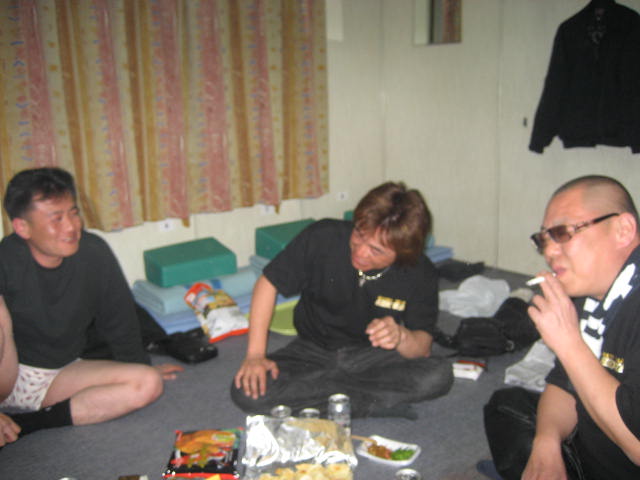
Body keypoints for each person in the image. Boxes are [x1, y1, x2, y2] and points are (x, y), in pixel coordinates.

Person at [231, 181, 453, 419]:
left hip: (373, 355)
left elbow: (422, 347)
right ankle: (372, 403)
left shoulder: (420, 272)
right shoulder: (323, 236)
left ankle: (333, 398)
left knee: (438, 376)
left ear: (402, 252)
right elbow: (268, 283)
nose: (360, 252)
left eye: (376, 250)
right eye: (359, 235)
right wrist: (255, 355)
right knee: (246, 392)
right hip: (311, 350)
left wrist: (400, 336)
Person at [0, 167, 182, 447]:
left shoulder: (93, 251)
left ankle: (25, 425)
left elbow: (119, 319)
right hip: (10, 377)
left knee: (147, 383)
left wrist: (136, 366)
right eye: (56, 218)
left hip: (61, 372)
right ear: (22, 227)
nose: (71, 227)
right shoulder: (7, 260)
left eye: (73, 213)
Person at [482, 175, 640, 479]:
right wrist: (546, 441)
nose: (549, 252)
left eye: (563, 233)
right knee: (506, 405)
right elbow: (563, 384)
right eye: (543, 240)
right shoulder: (591, 293)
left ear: (623, 229)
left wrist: (569, 343)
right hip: (591, 448)